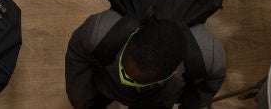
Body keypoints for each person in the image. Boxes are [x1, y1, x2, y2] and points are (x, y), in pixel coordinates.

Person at [65, 13, 225, 108]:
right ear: (135, 32)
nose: (125, 82)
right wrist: (81, 100)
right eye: (123, 69)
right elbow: (77, 55)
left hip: (157, 101)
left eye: (136, 82)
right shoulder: (99, 32)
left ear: (175, 71)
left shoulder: (208, 57)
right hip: (106, 86)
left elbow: (208, 86)